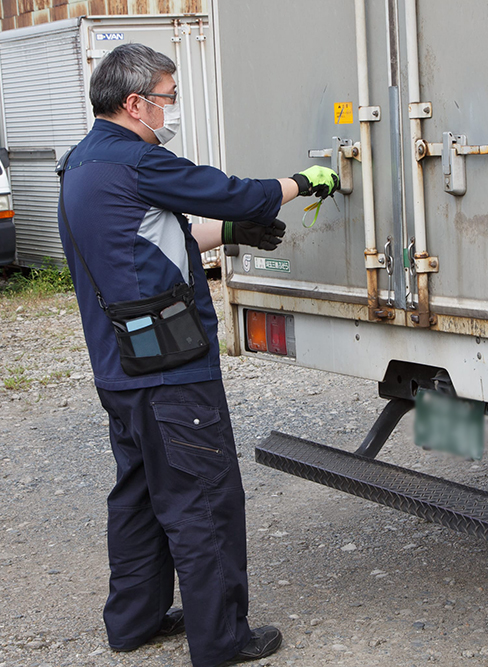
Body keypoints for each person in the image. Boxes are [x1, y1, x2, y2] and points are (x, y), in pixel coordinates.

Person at [57, 43, 338, 667]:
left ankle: (136, 620)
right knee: (203, 497)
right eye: (167, 98)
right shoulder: (138, 161)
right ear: (136, 103)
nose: (171, 110)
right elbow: (232, 194)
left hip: (120, 367)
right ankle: (223, 640)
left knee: (137, 494)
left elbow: (160, 235)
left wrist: (232, 235)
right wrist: (299, 183)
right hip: (170, 371)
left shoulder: (81, 164)